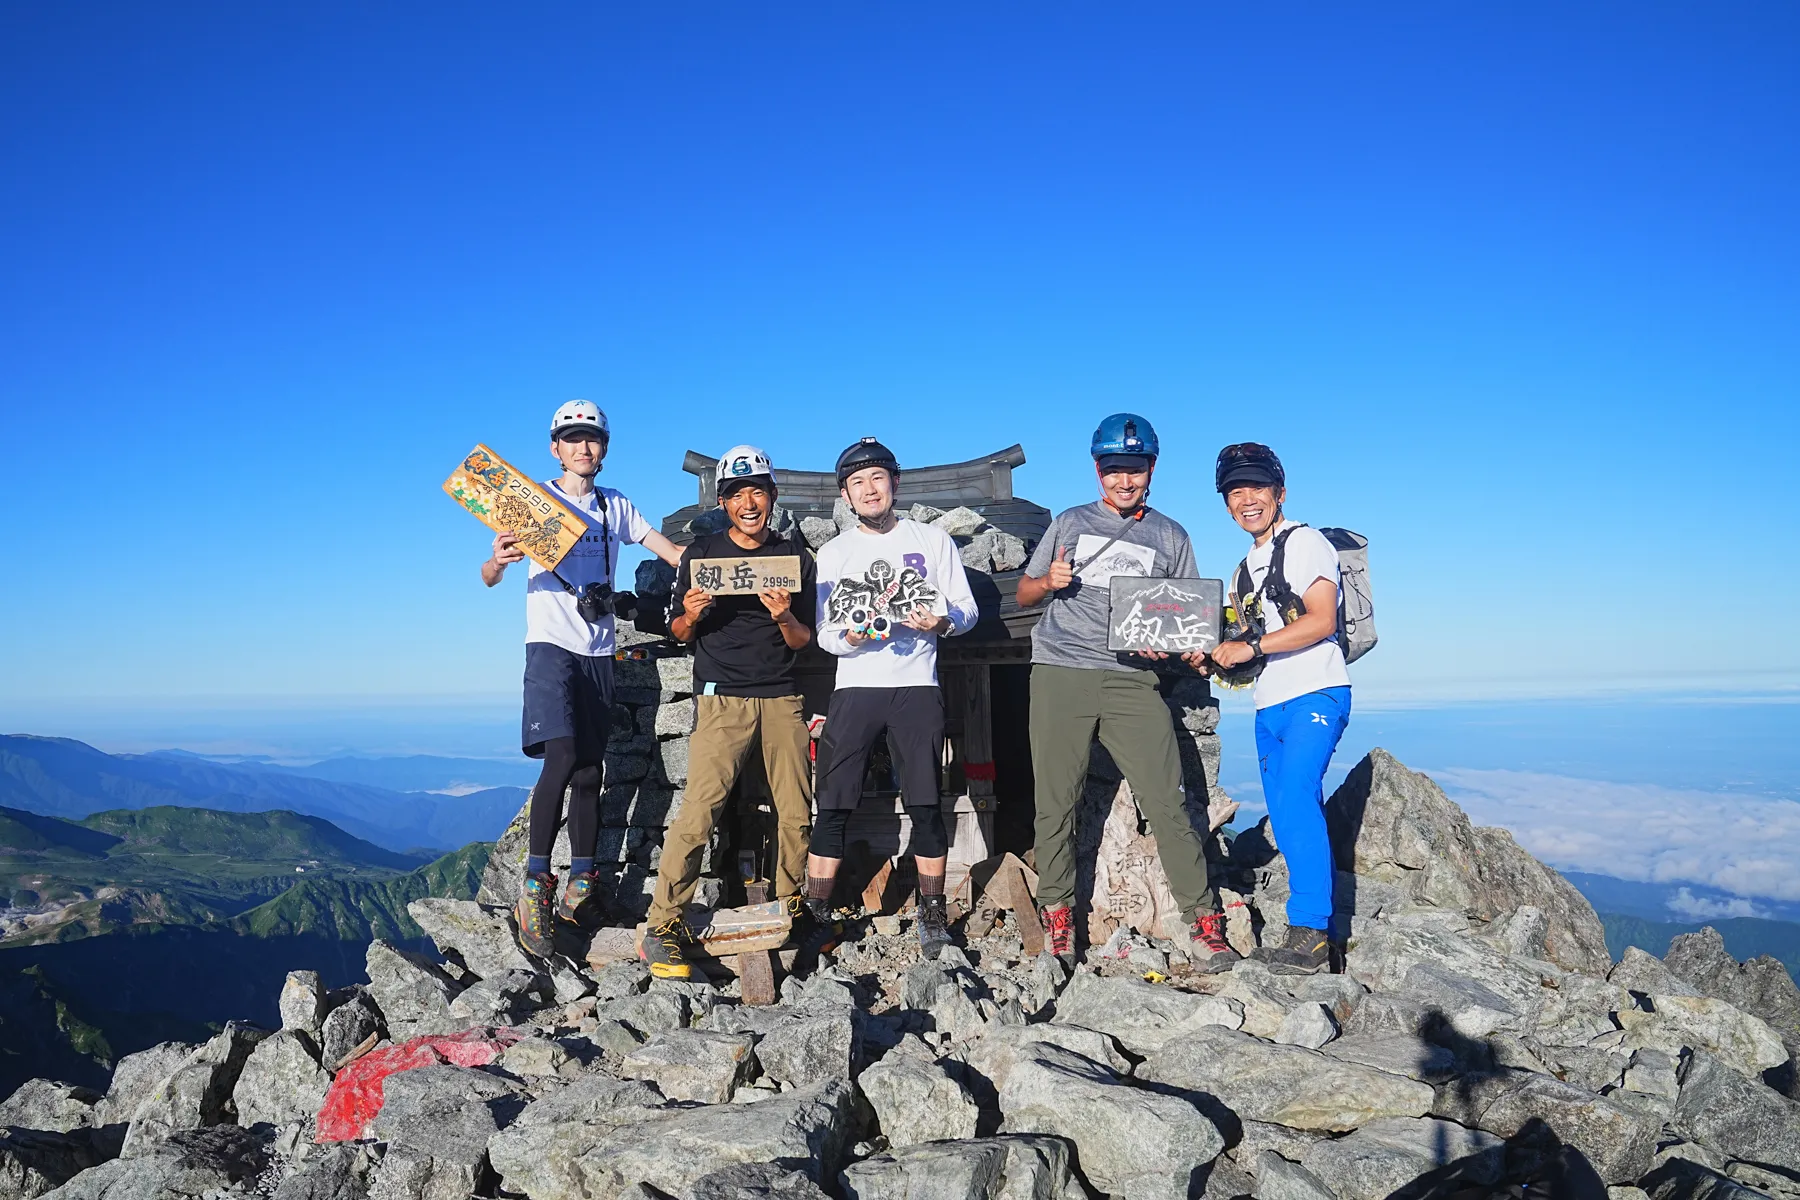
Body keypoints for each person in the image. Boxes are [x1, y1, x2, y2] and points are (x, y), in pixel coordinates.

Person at [1016, 413, 1239, 971]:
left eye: (1134, 470)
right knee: (1055, 802)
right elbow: (1023, 593)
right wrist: (1050, 582)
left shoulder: (1170, 535)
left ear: (1151, 469)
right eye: (1113, 470)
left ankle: (1204, 922)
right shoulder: (1069, 523)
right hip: (1061, 672)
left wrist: (1185, 648)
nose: (1124, 481)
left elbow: (1188, 619)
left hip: (1133, 679)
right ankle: (1059, 917)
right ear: (1097, 469)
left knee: (1170, 800)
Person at [482, 399, 684, 958]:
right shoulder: (533, 502)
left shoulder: (615, 506)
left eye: (592, 439)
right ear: (555, 448)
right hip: (550, 646)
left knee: (591, 770)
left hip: (599, 649)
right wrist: (499, 562)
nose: (583, 447)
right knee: (563, 753)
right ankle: (534, 887)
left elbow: (667, 550)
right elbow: (488, 575)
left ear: (604, 448)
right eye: (572, 438)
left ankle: (582, 886)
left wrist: (709, 569)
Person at [638, 445, 818, 979]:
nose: (748, 502)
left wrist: (784, 614)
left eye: (757, 491)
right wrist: (690, 615)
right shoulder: (700, 555)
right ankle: (662, 923)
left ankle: (790, 904)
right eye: (737, 493)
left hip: (781, 694)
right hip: (719, 696)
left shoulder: (794, 559)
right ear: (723, 501)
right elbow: (677, 632)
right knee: (699, 810)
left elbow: (803, 640)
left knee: (796, 810)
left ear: (772, 498)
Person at [807, 437, 980, 961]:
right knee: (833, 802)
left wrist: (942, 621)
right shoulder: (834, 553)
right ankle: (819, 913)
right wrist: (849, 638)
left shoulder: (933, 542)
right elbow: (823, 631)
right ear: (845, 495)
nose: (869, 489)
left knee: (926, 802)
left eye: (877, 478)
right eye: (857, 483)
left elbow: (968, 611)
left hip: (916, 684)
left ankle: (932, 915)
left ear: (894, 484)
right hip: (854, 685)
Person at [1207, 442, 1351, 975]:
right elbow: (1249, 641)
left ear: (1279, 493)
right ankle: (1311, 930)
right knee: (1288, 811)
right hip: (1270, 704)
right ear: (1226, 504)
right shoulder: (1246, 568)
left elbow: (1321, 620)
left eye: (1257, 488)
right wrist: (1221, 658)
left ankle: (1312, 933)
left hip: (1316, 691)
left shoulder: (1306, 543)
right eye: (1235, 491)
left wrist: (1253, 648)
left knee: (1296, 801)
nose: (1247, 500)